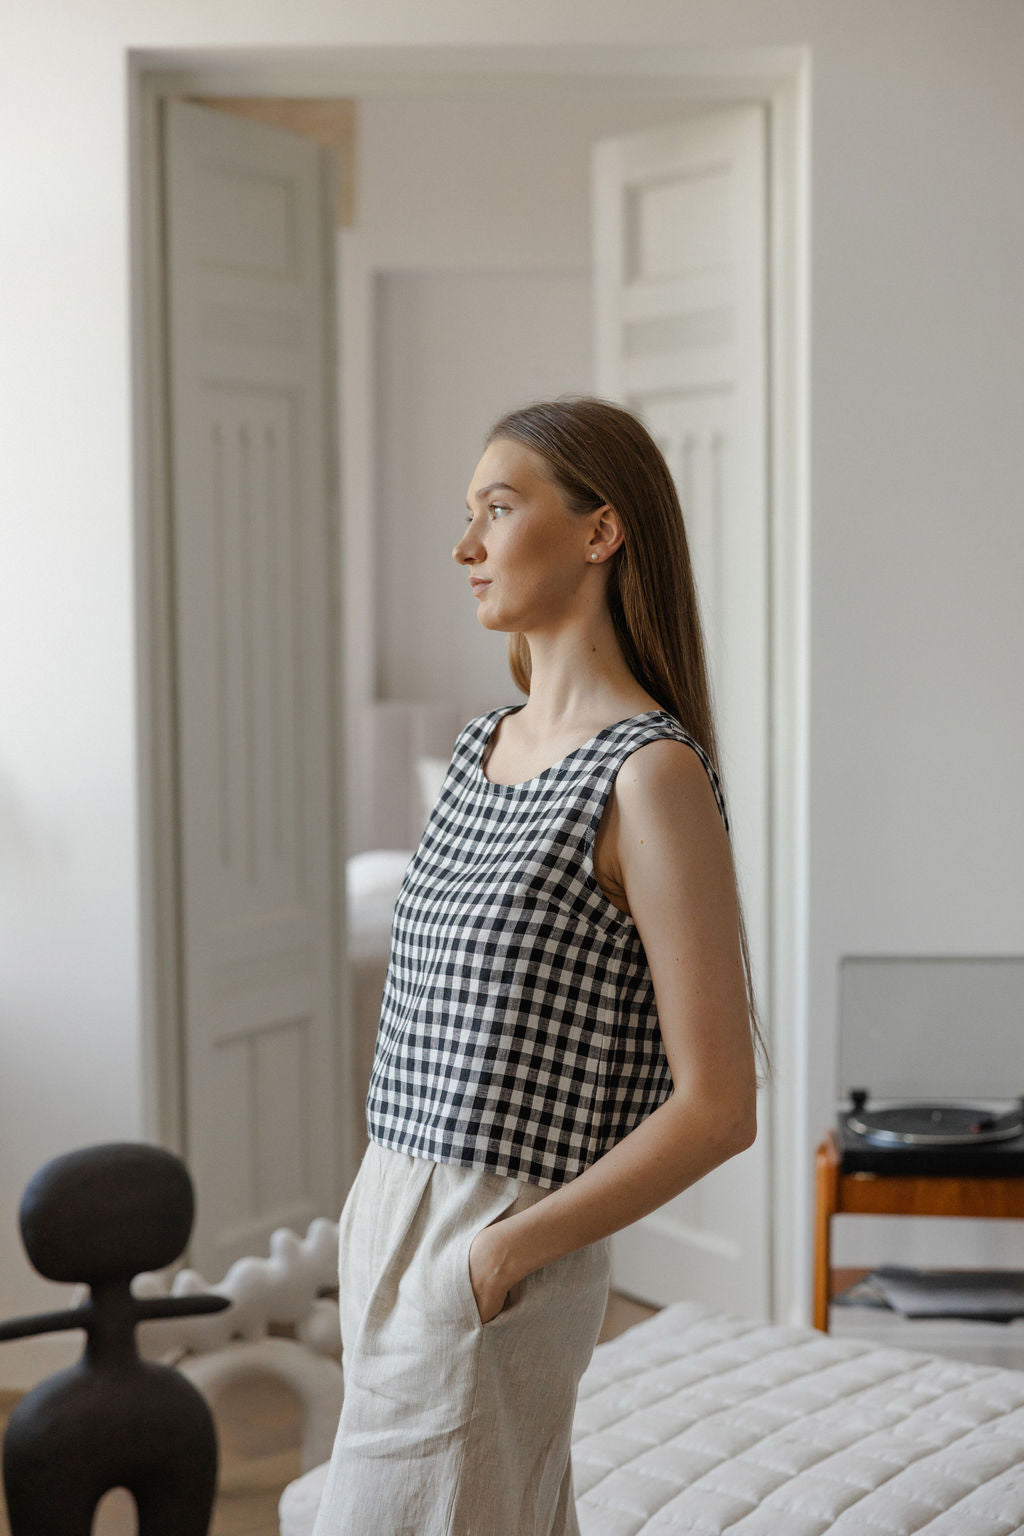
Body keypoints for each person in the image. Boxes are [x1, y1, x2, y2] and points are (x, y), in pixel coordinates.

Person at [311, 396, 766, 1536]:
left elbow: (719, 1108)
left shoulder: (647, 774)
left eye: (499, 510)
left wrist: (501, 1251)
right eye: (466, 516)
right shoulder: (479, 745)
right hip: (390, 1208)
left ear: (600, 531)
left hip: (491, 1239)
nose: (466, 547)